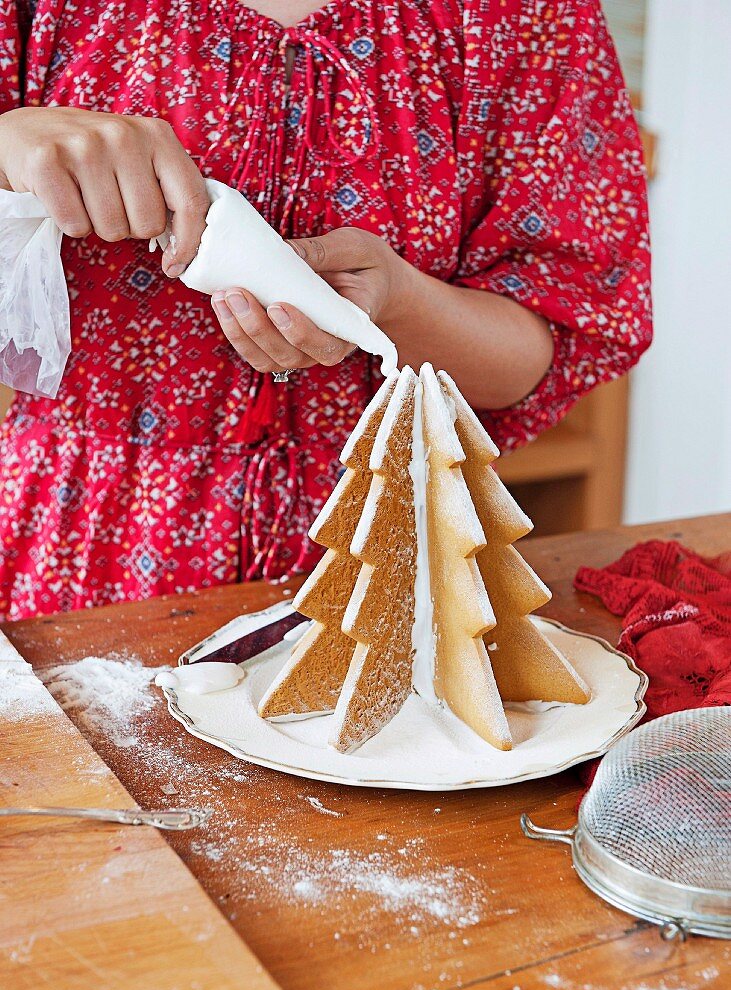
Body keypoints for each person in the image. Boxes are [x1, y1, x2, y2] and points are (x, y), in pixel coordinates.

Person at [0, 0, 651, 620]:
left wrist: (396, 303)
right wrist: (7, 146)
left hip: (388, 558)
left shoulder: (527, 15)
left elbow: (527, 358)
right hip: (76, 550)